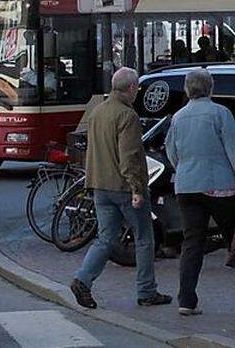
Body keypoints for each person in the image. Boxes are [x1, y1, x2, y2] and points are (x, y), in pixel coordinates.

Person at [69, 67, 173, 310]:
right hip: (124, 187)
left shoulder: (98, 112)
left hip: (99, 184)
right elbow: (130, 157)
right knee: (144, 239)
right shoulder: (127, 116)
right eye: (136, 88)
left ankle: (83, 279)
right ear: (131, 88)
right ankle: (146, 291)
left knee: (105, 238)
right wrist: (137, 188)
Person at [164, 67, 235, 316]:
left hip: (186, 185)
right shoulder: (221, 113)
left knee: (192, 242)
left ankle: (186, 300)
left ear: (187, 89)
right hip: (219, 185)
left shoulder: (178, 117)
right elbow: (232, 150)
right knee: (232, 236)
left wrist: (184, 168)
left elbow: (171, 150)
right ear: (211, 88)